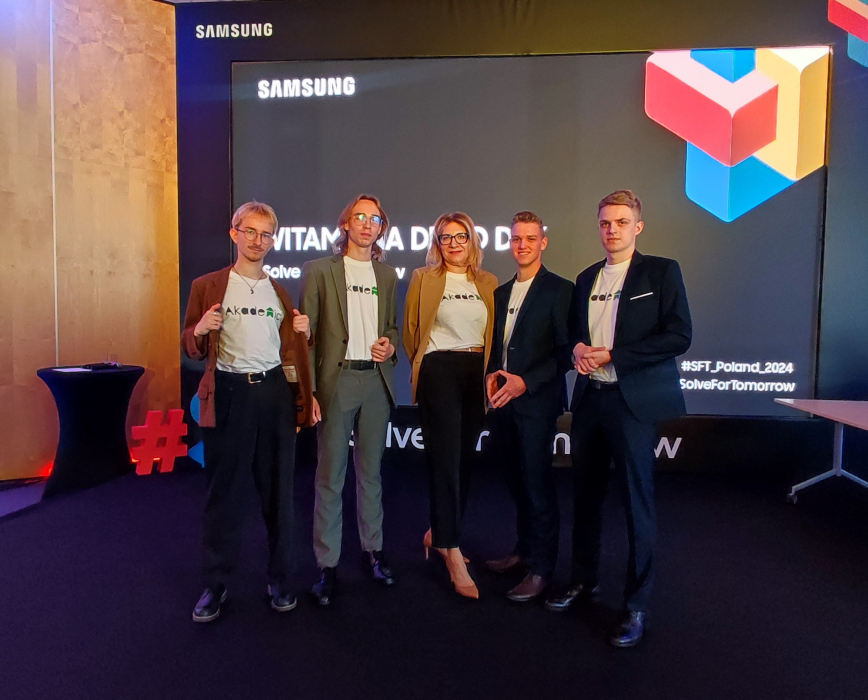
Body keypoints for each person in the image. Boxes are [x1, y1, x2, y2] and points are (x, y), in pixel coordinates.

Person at [548, 190, 691, 648]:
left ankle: (636, 605)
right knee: (585, 499)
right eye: (606, 223)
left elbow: (679, 335)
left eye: (622, 222)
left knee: (636, 505)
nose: (612, 230)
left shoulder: (661, 271)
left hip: (632, 404)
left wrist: (615, 355)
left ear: (638, 227)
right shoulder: (587, 277)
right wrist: (577, 347)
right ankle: (583, 580)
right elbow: (574, 332)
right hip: (591, 400)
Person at [181, 200, 319, 623]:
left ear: (273, 240)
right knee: (224, 495)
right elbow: (190, 346)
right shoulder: (208, 286)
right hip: (229, 394)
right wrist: (198, 330)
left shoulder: (279, 291)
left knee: (279, 494)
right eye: (251, 231)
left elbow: (290, 349)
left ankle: (280, 579)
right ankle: (215, 584)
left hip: (274, 395)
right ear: (234, 233)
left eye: (266, 234)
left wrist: (307, 339)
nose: (258, 240)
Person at [300, 193, 400, 606]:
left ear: (381, 228)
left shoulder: (388, 275)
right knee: (330, 475)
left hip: (375, 381)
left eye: (374, 218)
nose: (366, 223)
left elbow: (392, 328)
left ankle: (373, 551)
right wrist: (308, 391)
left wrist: (389, 344)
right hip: (336, 382)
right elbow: (306, 337)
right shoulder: (319, 270)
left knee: (371, 473)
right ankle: (327, 564)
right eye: (359, 216)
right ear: (346, 223)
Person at [403, 213, 498, 600]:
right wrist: (429, 365)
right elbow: (411, 331)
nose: (454, 244)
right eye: (446, 237)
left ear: (472, 240)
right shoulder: (423, 278)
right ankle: (452, 550)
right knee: (444, 459)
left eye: (461, 237)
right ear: (437, 243)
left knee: (463, 460)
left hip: (476, 371)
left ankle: (439, 533)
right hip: (439, 367)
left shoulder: (488, 282)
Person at [484, 211, 574, 602]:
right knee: (516, 483)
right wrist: (492, 373)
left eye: (530, 239)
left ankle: (541, 569)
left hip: (537, 403)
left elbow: (566, 352)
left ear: (543, 243)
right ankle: (523, 552)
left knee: (538, 487)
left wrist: (527, 381)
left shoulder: (560, 289)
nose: (523, 245)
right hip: (504, 403)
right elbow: (499, 346)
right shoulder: (501, 292)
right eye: (517, 239)